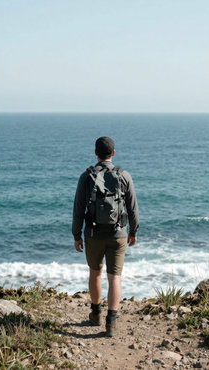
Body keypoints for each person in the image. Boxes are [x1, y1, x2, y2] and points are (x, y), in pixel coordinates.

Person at [72, 136, 139, 337]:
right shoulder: (124, 175)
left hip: (93, 234)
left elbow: (78, 209)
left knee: (95, 273)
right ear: (113, 153)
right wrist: (133, 231)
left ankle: (96, 314)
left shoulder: (86, 177)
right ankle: (111, 322)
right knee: (114, 277)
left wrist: (76, 234)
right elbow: (133, 207)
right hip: (118, 234)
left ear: (95, 153)